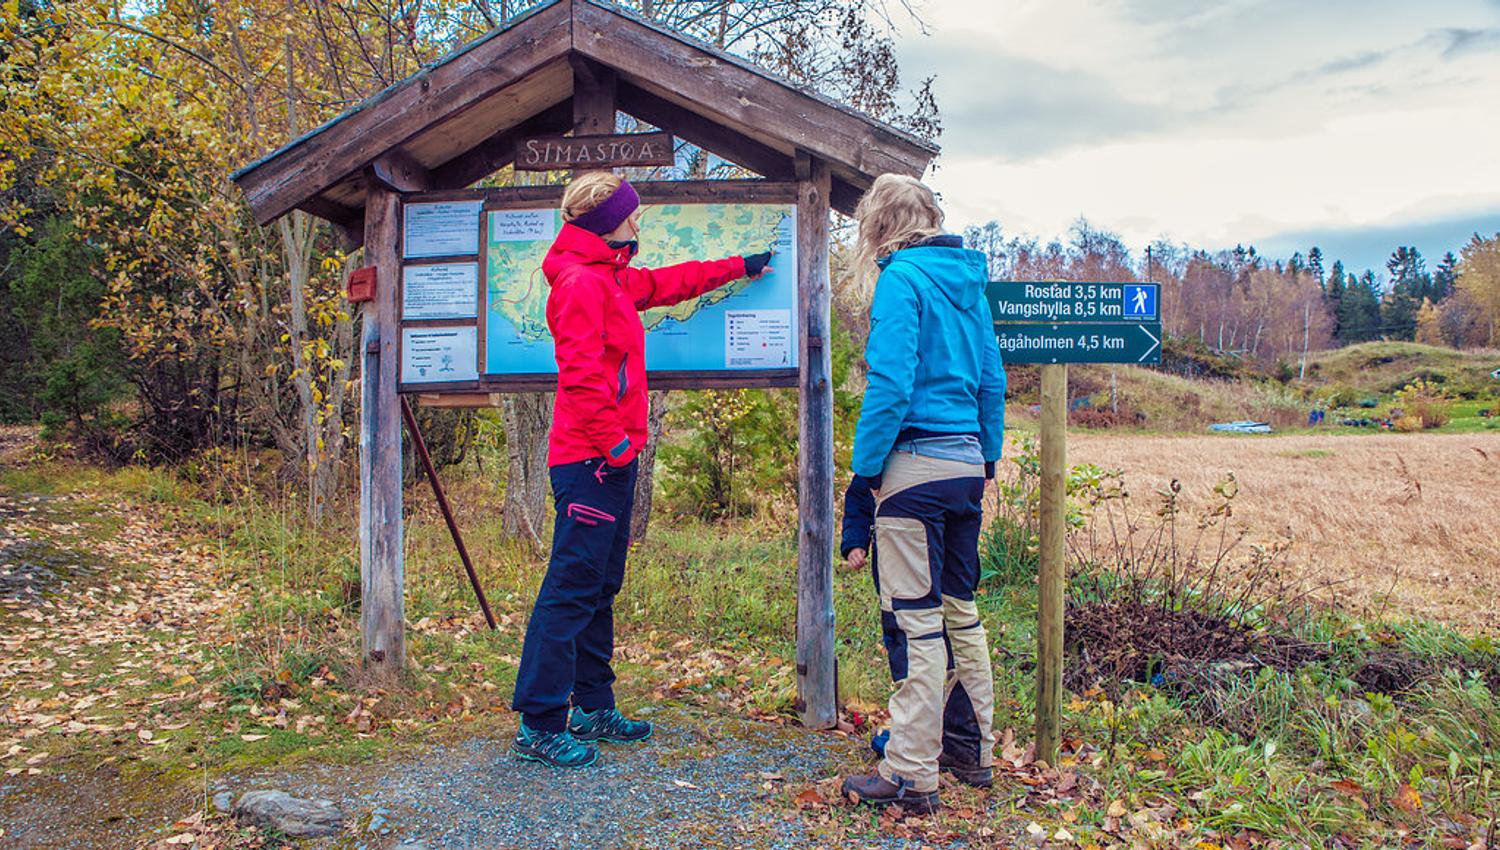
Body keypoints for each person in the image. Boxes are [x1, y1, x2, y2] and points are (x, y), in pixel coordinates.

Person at [511, 173, 772, 768]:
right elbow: (581, 376)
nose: (637, 222)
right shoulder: (580, 283)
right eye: (630, 215)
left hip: (607, 460)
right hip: (590, 461)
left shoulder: (609, 276)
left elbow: (666, 284)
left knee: (599, 587)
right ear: (607, 223)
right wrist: (617, 449)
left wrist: (739, 267)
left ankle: (592, 706)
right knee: (570, 590)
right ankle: (539, 723)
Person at [839, 173, 1006, 814]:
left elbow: (891, 383)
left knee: (916, 620)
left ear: (879, 226)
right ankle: (971, 750)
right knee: (961, 611)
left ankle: (911, 773)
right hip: (965, 467)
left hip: (914, 468)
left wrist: (865, 471)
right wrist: (986, 457)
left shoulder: (901, 280)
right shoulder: (968, 284)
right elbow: (991, 380)